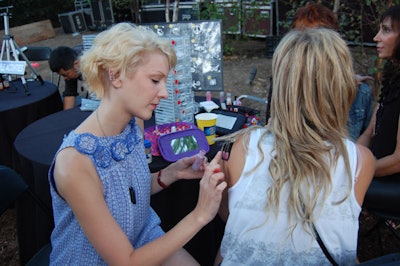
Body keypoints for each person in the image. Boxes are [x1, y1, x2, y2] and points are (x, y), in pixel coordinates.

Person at [48, 22, 227, 265]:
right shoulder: (74, 163)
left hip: (141, 236)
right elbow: (127, 262)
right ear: (116, 75)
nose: (164, 92)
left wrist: (168, 175)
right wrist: (200, 215)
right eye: (155, 80)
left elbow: (126, 193)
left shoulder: (134, 124)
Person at [214, 28, 375, 265]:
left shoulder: (242, 147)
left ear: (280, 84)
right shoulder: (361, 161)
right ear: (342, 87)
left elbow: (232, 218)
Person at [291, 1, 375, 141]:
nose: (311, 47)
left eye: (319, 39)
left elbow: (366, 144)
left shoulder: (360, 93)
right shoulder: (284, 89)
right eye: (303, 39)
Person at [357, 4, 400, 226]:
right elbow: (370, 132)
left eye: (386, 30)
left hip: (393, 181)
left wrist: (358, 170)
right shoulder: (392, 75)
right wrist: (349, 156)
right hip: (377, 169)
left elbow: (398, 161)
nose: (376, 37)